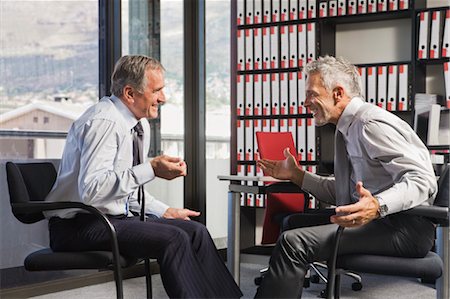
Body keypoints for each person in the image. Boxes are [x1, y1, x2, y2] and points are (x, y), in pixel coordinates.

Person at [45, 55, 242, 299]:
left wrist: (164, 211)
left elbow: (126, 192)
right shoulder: (104, 122)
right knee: (174, 238)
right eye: (157, 90)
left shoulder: (138, 125)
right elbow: (93, 190)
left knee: (195, 232)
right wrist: (151, 169)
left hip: (113, 219)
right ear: (130, 93)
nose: (163, 98)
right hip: (78, 226)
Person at [255, 56, 437, 298]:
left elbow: (422, 179)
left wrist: (377, 205)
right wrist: (297, 175)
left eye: (312, 93)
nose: (305, 102)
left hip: (403, 228)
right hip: (382, 221)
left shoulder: (369, 124)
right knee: (292, 224)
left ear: (337, 93)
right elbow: (342, 191)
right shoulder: (347, 128)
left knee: (294, 242)